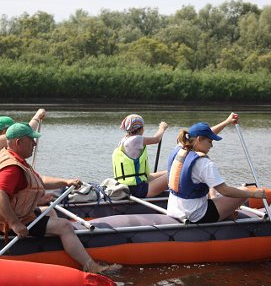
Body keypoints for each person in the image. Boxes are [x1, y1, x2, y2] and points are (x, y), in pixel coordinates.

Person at [0, 122, 121, 274]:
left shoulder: (10, 156)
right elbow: (1, 194)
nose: (35, 144)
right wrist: (15, 223)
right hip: (10, 220)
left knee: (49, 212)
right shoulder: (12, 168)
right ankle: (91, 266)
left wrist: (65, 181)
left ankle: (53, 250)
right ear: (19, 142)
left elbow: (39, 180)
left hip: (19, 213)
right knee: (64, 225)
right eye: (31, 140)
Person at [167, 117, 268, 223]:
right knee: (245, 190)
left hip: (173, 209)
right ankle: (227, 214)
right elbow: (225, 191)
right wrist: (253, 194)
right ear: (199, 139)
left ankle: (226, 212)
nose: (211, 146)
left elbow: (204, 133)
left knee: (212, 190)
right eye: (210, 141)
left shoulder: (179, 148)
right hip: (195, 215)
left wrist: (226, 122)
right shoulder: (204, 163)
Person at [112, 114, 168, 198]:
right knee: (175, 174)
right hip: (138, 189)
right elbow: (156, 139)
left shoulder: (124, 140)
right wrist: (162, 128)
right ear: (141, 129)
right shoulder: (136, 139)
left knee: (168, 171)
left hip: (128, 186)